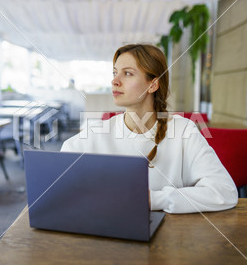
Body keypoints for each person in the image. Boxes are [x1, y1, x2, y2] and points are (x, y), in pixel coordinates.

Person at [61, 44, 238, 214]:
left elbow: (225, 192)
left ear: (153, 85)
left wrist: (153, 199)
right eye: (115, 73)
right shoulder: (97, 133)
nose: (114, 81)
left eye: (127, 73)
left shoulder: (184, 130)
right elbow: (60, 175)